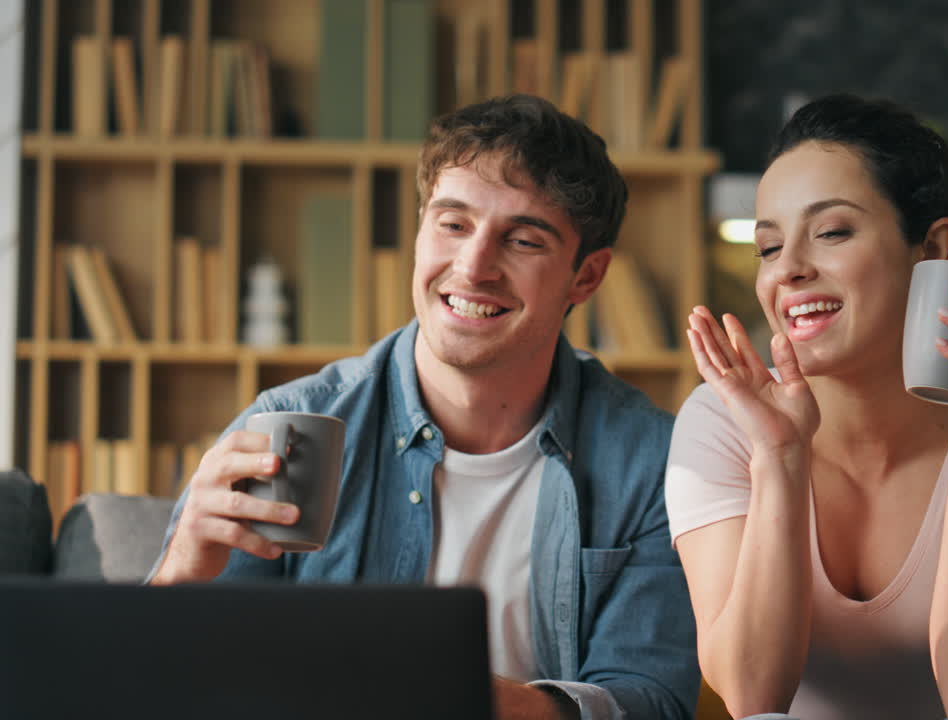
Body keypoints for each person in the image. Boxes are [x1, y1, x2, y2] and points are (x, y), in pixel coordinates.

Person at [150, 95, 700, 720]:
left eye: (521, 240)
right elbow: (157, 687)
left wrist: (462, 695)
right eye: (453, 224)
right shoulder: (291, 422)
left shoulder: (651, 460)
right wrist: (180, 573)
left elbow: (650, 701)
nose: (472, 267)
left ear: (586, 277)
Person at [665, 93, 948, 720]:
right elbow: (751, 694)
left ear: (933, 247)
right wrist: (780, 454)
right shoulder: (724, 422)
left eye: (832, 232)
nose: (790, 271)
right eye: (769, 247)